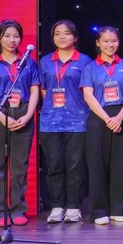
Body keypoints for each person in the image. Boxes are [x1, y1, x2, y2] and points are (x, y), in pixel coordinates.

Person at [0, 19, 40, 226]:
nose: (12, 40)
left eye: (16, 36)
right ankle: (0, 212)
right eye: (7, 36)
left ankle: (18, 210)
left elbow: (34, 90)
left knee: (20, 166)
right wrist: (2, 118)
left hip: (23, 112)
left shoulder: (29, 62)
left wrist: (28, 115)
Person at [38, 20, 92, 224]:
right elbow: (43, 89)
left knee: (75, 167)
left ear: (75, 37)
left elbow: (88, 91)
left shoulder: (85, 61)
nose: (62, 37)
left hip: (78, 121)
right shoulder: (45, 61)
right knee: (54, 166)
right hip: (50, 122)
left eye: (67, 33)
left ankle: (74, 206)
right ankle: (56, 206)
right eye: (57, 33)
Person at [81, 26, 123, 225]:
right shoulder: (90, 67)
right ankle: (98, 211)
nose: (110, 45)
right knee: (97, 165)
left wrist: (119, 117)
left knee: (120, 164)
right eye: (105, 41)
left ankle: (118, 209)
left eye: (113, 41)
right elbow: (88, 96)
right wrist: (107, 119)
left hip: (122, 115)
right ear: (98, 43)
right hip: (99, 117)